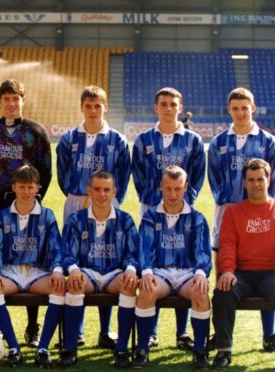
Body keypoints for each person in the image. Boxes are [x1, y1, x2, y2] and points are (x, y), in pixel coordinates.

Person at [0, 79, 52, 347]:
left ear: (23, 100)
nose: (11, 103)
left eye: (16, 98)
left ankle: (33, 326)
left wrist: (31, 199)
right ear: (0, 101)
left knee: (31, 258)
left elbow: (45, 170)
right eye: (6, 99)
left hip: (28, 205)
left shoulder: (36, 131)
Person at [208, 87, 275, 351]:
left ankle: (269, 333)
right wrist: (233, 203)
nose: (240, 113)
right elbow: (215, 179)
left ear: (253, 108)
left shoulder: (268, 141)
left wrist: (256, 206)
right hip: (227, 211)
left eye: (245, 108)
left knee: (266, 263)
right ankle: (220, 334)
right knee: (224, 267)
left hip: (259, 209)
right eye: (235, 108)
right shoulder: (218, 142)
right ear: (229, 110)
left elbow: (274, 181)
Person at [56, 85, 131, 349]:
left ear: (105, 107)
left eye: (97, 105)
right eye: (88, 106)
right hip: (76, 201)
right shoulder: (68, 139)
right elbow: (62, 173)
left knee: (107, 260)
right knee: (76, 262)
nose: (92, 110)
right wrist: (76, 194)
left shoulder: (117, 140)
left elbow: (123, 174)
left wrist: (108, 199)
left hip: (106, 203)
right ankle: (75, 331)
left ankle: (105, 330)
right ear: (81, 107)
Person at [131, 87, 206, 349]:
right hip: (152, 209)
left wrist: (184, 200)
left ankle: (182, 332)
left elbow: (197, 175)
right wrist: (153, 199)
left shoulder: (193, 140)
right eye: (163, 103)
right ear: (156, 107)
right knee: (155, 265)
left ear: (180, 107)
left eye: (173, 104)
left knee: (181, 261)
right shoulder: (143, 140)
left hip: (181, 211)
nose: (168, 108)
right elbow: (138, 176)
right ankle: (150, 332)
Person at [211, 159, 275, 370]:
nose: (256, 184)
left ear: (269, 180)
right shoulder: (233, 212)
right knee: (223, 291)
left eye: (260, 179)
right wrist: (227, 272)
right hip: (242, 274)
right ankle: (224, 350)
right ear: (245, 183)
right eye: (251, 180)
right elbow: (227, 244)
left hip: (270, 273)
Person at [134, 166, 212, 368]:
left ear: (186, 187)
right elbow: (144, 248)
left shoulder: (197, 218)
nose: (173, 194)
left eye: (178, 188)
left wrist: (202, 273)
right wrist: (147, 271)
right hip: (160, 272)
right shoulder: (151, 217)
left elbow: (203, 252)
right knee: (146, 289)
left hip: (188, 273)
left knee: (201, 291)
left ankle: (200, 350)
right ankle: (142, 348)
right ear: (161, 187)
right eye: (168, 188)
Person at [60, 171, 140, 368]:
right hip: (86, 272)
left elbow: (134, 252)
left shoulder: (125, 220)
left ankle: (121, 349)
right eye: (97, 189)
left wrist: (130, 269)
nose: (101, 194)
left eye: (106, 190)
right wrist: (73, 269)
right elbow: (67, 252)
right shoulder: (76, 219)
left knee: (129, 286)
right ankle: (70, 348)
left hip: (114, 273)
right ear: (89, 190)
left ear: (114, 192)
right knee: (74, 284)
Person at [0, 165, 62, 367]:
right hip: (10, 270)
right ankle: (13, 348)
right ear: (14, 188)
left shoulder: (48, 216)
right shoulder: (2, 216)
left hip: (37, 271)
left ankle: (43, 348)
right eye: (22, 187)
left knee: (60, 287)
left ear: (38, 188)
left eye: (30, 187)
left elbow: (56, 247)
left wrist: (56, 270)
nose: (26, 192)